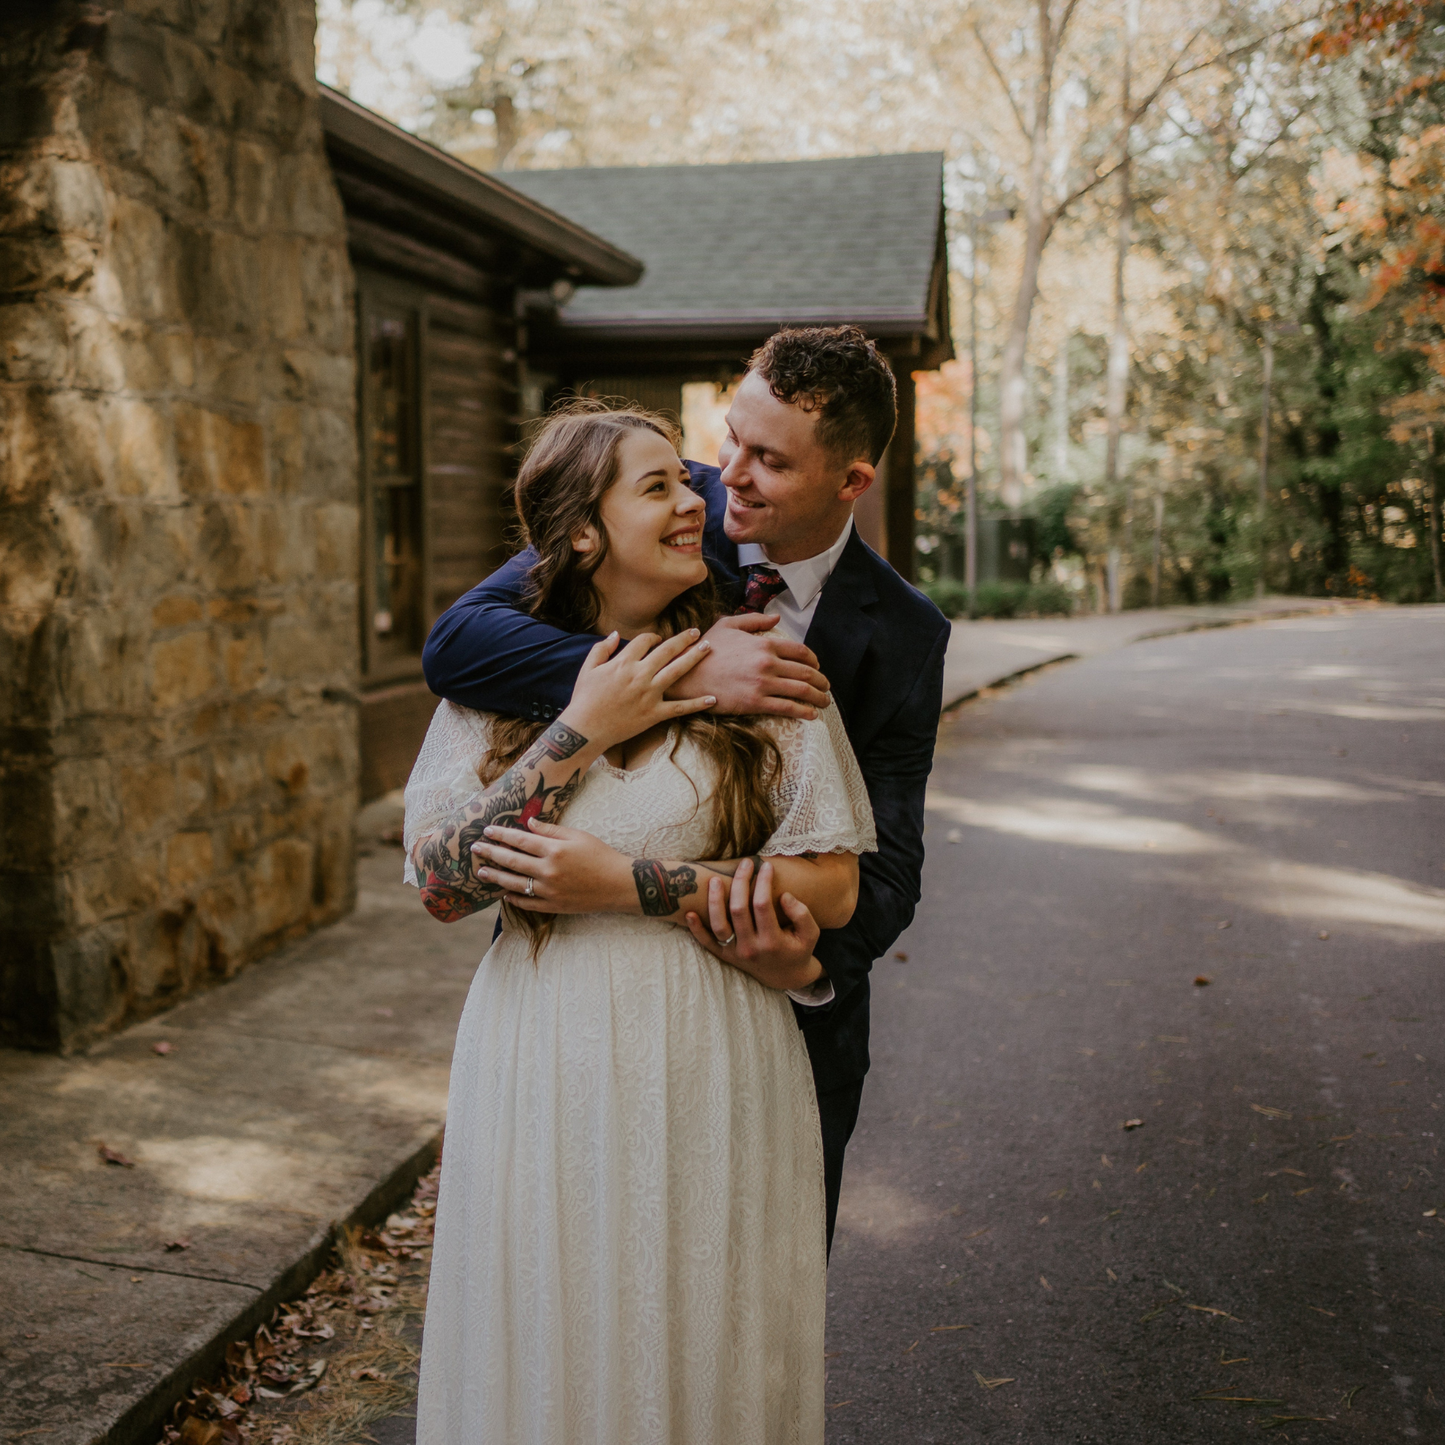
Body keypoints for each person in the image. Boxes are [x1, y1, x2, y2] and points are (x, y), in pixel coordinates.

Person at [405, 401, 877, 1443]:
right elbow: (442, 886)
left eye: (688, 481)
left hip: (714, 1050)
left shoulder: (755, 663)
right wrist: (576, 734)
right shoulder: (496, 685)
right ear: (582, 532)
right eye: (657, 484)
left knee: (700, 1330)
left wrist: (623, 882)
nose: (697, 501)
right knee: (553, 1327)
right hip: (541, 1053)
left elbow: (832, 886)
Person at [423, 326, 951, 1251]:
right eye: (729, 437)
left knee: (744, 1311)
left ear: (850, 482)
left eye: (768, 462)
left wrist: (810, 967)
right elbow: (457, 643)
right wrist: (688, 666)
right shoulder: (655, 514)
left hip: (778, 1024)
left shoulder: (905, 636)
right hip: (572, 1018)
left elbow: (884, 873)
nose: (726, 476)